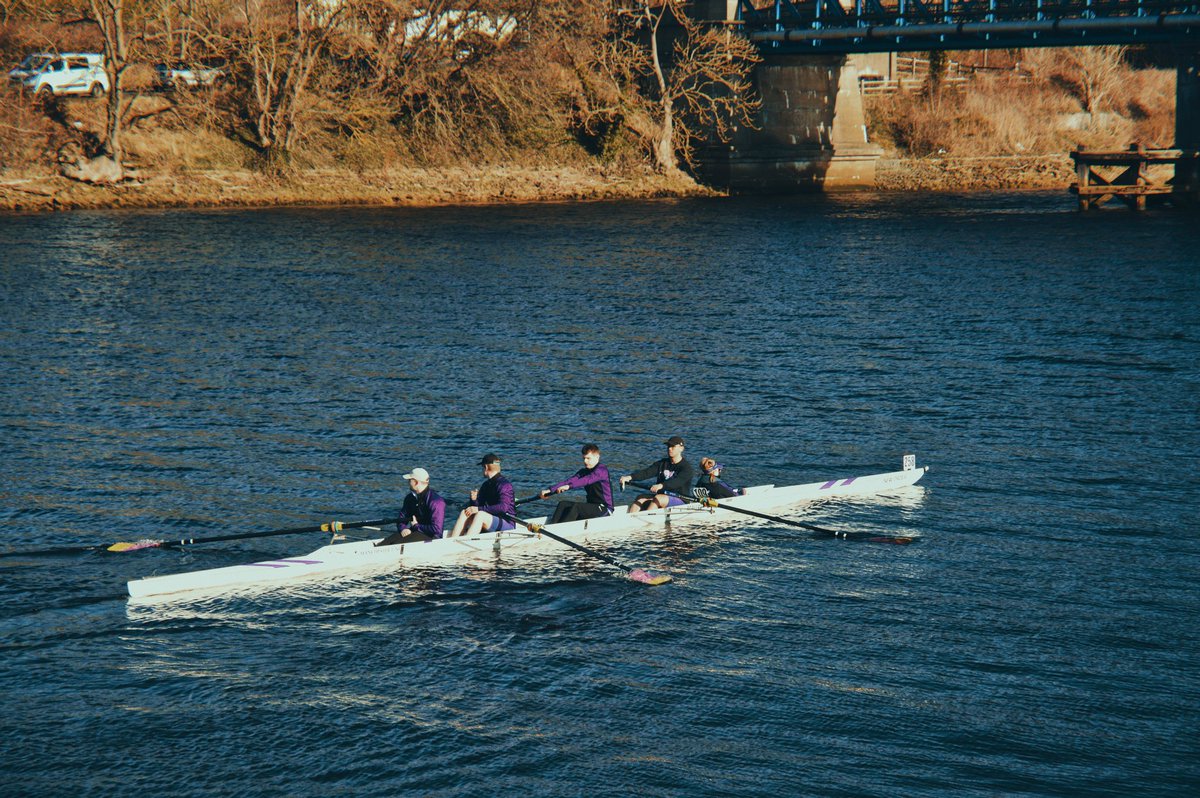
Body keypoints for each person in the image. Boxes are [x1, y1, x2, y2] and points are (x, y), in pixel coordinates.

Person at [619, 436, 695, 514]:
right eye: (668, 446)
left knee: (658, 498)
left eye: (673, 446)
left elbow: (676, 482)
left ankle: (647, 521)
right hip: (662, 497)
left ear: (681, 448)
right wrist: (630, 477)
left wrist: (661, 485)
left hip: (680, 500)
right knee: (640, 498)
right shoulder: (662, 463)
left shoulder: (686, 468)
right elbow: (646, 473)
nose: (669, 449)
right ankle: (631, 519)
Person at [541, 443, 614, 525]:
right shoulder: (584, 471)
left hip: (605, 509)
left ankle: (561, 530)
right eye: (584, 458)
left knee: (576, 507)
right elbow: (568, 481)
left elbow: (587, 480)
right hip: (592, 506)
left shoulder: (601, 470)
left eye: (588, 458)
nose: (585, 461)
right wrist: (550, 490)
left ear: (597, 457)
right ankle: (552, 526)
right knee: (563, 504)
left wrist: (569, 486)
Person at [448, 453, 516, 537]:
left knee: (480, 515)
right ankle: (453, 541)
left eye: (482, 467)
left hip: (507, 522)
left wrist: (477, 508)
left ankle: (466, 543)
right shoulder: (486, 485)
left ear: (486, 467)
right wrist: (474, 500)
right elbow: (479, 506)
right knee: (465, 512)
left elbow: (503, 507)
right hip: (490, 519)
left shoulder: (505, 485)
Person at [376, 467, 446, 546]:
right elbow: (401, 518)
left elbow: (437, 530)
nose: (408, 482)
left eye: (409, 480)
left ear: (415, 482)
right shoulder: (409, 498)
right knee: (383, 544)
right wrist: (403, 528)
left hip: (432, 537)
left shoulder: (437, 502)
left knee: (396, 545)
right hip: (415, 531)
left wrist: (417, 526)